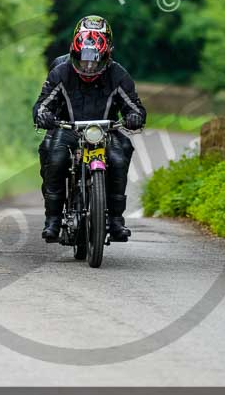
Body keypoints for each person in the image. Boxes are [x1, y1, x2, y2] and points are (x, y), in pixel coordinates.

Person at [33, 15, 146, 242]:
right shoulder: (60, 72)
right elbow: (42, 104)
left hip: (105, 131)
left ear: (107, 55)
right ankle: (53, 219)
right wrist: (43, 115)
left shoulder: (118, 75)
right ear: (74, 53)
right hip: (66, 128)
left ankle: (115, 220)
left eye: (95, 61)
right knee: (54, 157)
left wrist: (135, 117)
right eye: (83, 60)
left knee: (119, 156)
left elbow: (135, 107)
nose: (88, 66)